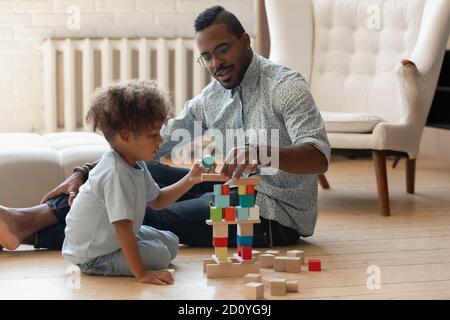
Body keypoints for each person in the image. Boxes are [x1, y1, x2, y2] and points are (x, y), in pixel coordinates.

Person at [0, 5, 330, 252]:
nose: (215, 64)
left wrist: (263, 153)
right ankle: (24, 218)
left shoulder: (285, 86)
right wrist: (85, 172)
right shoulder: (211, 98)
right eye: (206, 57)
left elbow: (318, 158)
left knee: (142, 214)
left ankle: (28, 232)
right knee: (140, 170)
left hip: (273, 214)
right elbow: (153, 144)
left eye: (222, 50)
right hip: (225, 186)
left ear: (244, 41)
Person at [67, 80, 211, 284]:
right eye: (153, 136)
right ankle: (106, 264)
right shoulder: (116, 173)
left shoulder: (135, 163)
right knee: (161, 255)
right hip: (93, 254)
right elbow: (123, 229)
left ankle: (137, 255)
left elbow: (158, 200)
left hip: (111, 239)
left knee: (171, 243)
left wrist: (190, 179)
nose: (160, 141)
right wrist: (142, 274)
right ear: (126, 136)